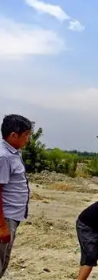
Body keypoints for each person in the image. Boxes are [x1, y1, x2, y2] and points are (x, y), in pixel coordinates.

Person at [0, 114, 32, 278]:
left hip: (12, 217)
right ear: (13, 135)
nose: (28, 139)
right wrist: (2, 226)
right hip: (5, 218)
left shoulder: (13, 152)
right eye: (26, 135)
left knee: (4, 259)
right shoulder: (4, 156)